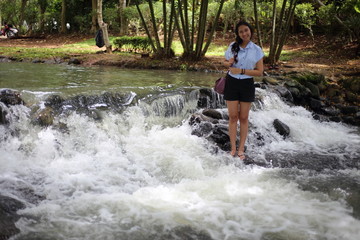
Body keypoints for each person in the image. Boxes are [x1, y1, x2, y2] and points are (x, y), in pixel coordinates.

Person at [223, 20, 264, 160]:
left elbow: (259, 72)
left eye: (246, 30)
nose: (244, 33)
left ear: (250, 30)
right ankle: (233, 148)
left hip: (247, 84)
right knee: (233, 117)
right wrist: (228, 63)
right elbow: (225, 61)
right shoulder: (233, 47)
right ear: (238, 34)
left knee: (244, 117)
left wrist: (240, 70)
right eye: (241, 32)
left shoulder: (257, 50)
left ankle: (241, 149)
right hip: (232, 83)